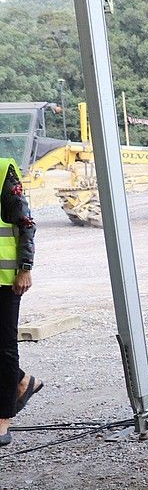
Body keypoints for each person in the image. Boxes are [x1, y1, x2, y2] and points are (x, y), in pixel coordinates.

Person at [0, 158, 40, 446]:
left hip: (4, 277)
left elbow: (26, 223)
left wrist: (25, 267)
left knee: (4, 347)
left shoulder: (3, 171)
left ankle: (3, 417)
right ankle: (22, 381)